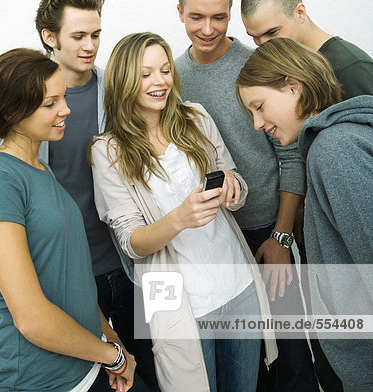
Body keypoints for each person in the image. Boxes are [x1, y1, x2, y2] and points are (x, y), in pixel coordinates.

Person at [90, 32, 278, 392]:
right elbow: (132, 243)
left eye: (164, 70)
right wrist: (180, 218)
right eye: (145, 74)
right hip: (179, 301)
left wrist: (232, 186)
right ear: (124, 80)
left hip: (236, 282)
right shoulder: (107, 151)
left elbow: (232, 180)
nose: (160, 81)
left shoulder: (196, 117)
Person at [0, 48, 146, 392]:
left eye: (64, 98)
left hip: (84, 365)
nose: (66, 109)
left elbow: (69, 274)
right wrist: (112, 355)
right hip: (35, 379)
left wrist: (110, 337)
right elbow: (30, 319)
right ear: (12, 112)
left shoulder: (41, 171)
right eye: (51, 103)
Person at [175, 0, 319, 392]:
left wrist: (282, 236)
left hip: (269, 231)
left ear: (230, 16)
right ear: (180, 12)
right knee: (246, 361)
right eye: (197, 17)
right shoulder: (172, 76)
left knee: (292, 353)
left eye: (218, 17)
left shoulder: (258, 65)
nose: (208, 28)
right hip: (216, 238)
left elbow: (291, 156)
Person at [241, 0, 373, 391]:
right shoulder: (327, 140)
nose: (259, 124)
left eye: (260, 107)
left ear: (294, 87)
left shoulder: (335, 149)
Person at [35, 0, 159, 391]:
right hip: (72, 275)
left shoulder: (119, 91)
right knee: (100, 380)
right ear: (48, 37)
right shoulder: (29, 106)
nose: (90, 46)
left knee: (159, 370)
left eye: (96, 35)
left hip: (134, 264)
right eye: (78, 36)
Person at [241, 0, 373, 100]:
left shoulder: (351, 69)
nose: (263, 45)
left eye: (271, 32)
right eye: (254, 36)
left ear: (300, 13)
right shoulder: (283, 65)